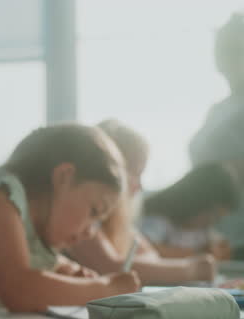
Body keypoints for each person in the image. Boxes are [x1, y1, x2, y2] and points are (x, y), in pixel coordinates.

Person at [0, 124, 140, 311]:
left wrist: (69, 275)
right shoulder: (1, 196)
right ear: (64, 177)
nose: (89, 232)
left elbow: (38, 261)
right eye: (94, 211)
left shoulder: (37, 232)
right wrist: (106, 288)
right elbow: (19, 288)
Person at [69, 118, 216, 286]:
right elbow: (113, 267)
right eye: (134, 173)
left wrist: (140, 265)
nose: (139, 185)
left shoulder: (118, 224)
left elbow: (152, 257)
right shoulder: (84, 220)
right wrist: (192, 269)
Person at [189, 12, 244, 253]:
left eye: (231, 51)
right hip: (217, 237)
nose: (222, 60)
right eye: (222, 51)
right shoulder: (219, 109)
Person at [141, 163, 240, 260]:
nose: (213, 222)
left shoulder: (204, 232)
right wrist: (196, 253)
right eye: (214, 215)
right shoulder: (160, 221)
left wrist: (220, 251)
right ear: (197, 202)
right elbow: (146, 249)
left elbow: (218, 247)